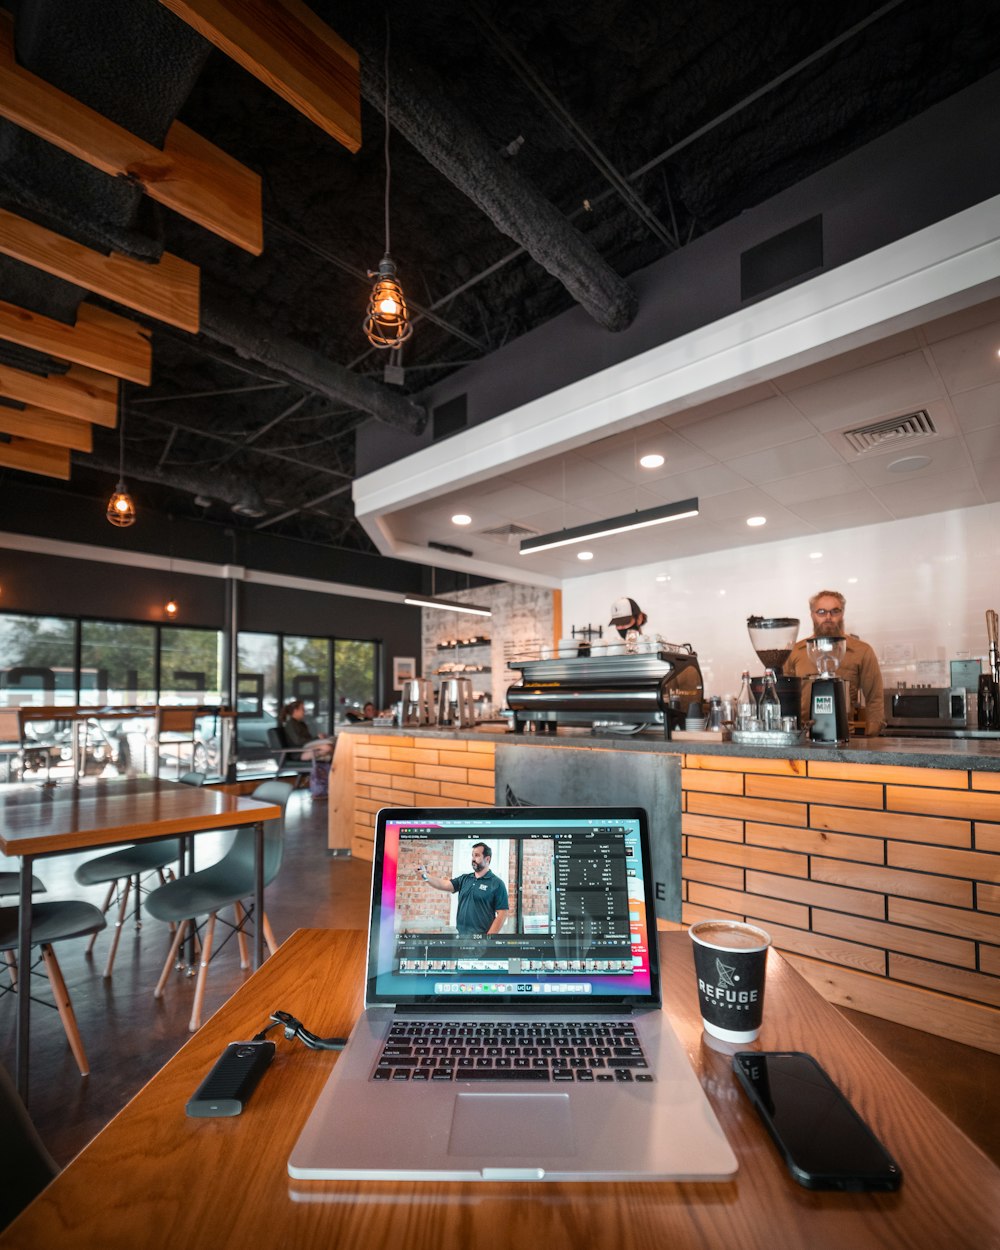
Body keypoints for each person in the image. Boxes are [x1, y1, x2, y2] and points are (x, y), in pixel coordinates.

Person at [783, 590, 885, 736]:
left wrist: (871, 742)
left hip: (844, 738)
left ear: (842, 614)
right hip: (803, 738)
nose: (828, 617)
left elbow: (875, 699)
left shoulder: (861, 651)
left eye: (834, 611)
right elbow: (786, 699)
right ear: (812, 614)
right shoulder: (795, 652)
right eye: (821, 612)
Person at [415, 842, 509, 936]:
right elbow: (444, 884)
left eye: (477, 855)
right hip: (461, 937)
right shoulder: (465, 879)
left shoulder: (497, 884)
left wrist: (489, 939)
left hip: (481, 939)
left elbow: (502, 914)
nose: (473, 859)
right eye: (472, 855)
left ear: (487, 859)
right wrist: (425, 876)